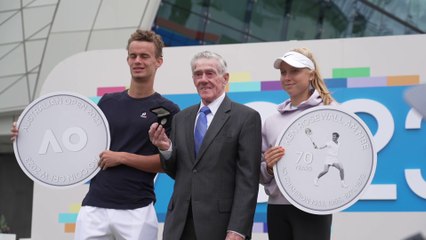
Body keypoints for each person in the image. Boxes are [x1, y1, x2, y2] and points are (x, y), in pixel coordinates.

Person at [11, 29, 180, 240]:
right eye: (133, 55)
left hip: (137, 208)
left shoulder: (167, 110)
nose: (137, 61)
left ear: (158, 62)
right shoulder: (108, 102)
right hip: (94, 206)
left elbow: (168, 164)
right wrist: (27, 131)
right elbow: (70, 136)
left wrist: (122, 157)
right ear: (127, 59)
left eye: (144, 56)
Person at [148, 51, 261, 240]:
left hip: (220, 226)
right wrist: (166, 148)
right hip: (179, 225)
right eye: (198, 74)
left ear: (225, 78)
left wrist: (237, 229)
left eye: (210, 73)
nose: (203, 79)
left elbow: (248, 181)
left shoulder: (246, 118)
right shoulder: (181, 119)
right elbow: (179, 171)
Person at [260, 48, 334, 240]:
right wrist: (268, 166)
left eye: (294, 71)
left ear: (311, 74)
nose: (287, 77)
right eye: (283, 72)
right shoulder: (271, 121)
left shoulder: (332, 112)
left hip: (314, 207)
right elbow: (260, 175)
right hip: (277, 208)